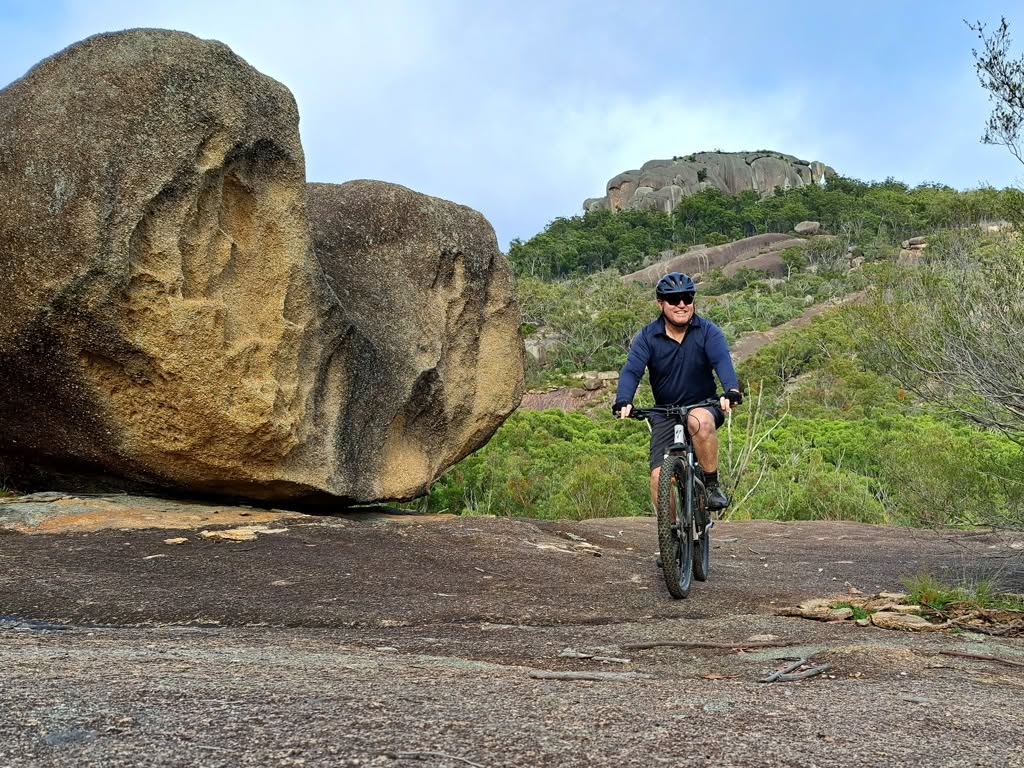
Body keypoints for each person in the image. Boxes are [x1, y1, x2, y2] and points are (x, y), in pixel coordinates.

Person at [612, 271, 742, 511]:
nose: (682, 304)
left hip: (704, 404)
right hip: (664, 413)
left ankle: (711, 484)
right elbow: (632, 371)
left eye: (687, 298)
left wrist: (731, 390)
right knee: (658, 478)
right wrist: (623, 400)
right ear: (660, 303)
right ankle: (671, 537)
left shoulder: (708, 332)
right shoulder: (647, 337)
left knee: (700, 421)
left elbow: (722, 361)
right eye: (674, 300)